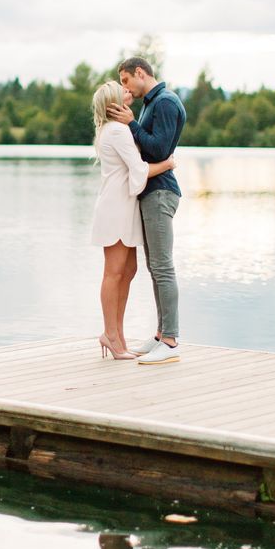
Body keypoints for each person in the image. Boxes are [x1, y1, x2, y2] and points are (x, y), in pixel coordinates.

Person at [106, 57, 186, 365]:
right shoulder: (152, 102)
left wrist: (131, 124)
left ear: (141, 73)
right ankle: (160, 335)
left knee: (163, 267)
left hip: (161, 193)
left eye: (126, 80)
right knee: (156, 267)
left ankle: (171, 340)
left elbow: (159, 150)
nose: (125, 88)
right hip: (152, 191)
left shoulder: (164, 102)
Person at [91, 80, 175, 360]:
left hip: (123, 206)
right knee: (114, 273)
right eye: (123, 91)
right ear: (115, 104)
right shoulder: (117, 131)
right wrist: (167, 164)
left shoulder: (116, 130)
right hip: (116, 207)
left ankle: (119, 337)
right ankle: (111, 336)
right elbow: (138, 170)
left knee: (128, 271)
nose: (129, 92)